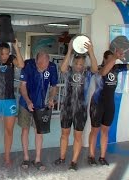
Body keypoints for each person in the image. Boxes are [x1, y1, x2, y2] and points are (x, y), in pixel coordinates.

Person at [55, 40, 98, 171]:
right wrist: (69, 50)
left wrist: (90, 52)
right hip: (67, 108)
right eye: (77, 63)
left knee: (78, 136)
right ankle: (62, 158)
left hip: (81, 110)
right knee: (64, 134)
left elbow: (96, 68)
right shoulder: (68, 70)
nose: (79, 66)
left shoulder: (88, 72)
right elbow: (62, 68)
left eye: (81, 64)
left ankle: (73, 161)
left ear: (84, 65)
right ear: (73, 63)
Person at [0, 40, 24, 168]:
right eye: (2, 53)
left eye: (7, 53)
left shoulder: (12, 60)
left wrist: (16, 48)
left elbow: (22, 64)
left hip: (9, 100)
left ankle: (7, 156)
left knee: (9, 131)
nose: (4, 56)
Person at [18, 51, 58, 170]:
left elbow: (54, 86)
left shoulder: (52, 67)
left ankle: (38, 159)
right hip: (25, 103)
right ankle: (26, 157)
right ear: (36, 61)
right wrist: (28, 101)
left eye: (45, 66)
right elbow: (22, 86)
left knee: (39, 131)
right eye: (41, 66)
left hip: (40, 104)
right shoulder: (27, 65)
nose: (43, 68)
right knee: (25, 129)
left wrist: (51, 98)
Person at [88, 50, 128, 166]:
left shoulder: (117, 68)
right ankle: (91, 156)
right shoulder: (98, 68)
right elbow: (103, 73)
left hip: (109, 104)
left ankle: (102, 157)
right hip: (97, 104)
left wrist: (117, 59)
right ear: (105, 59)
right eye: (111, 59)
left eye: (114, 59)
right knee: (95, 131)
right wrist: (115, 57)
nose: (113, 61)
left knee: (105, 131)